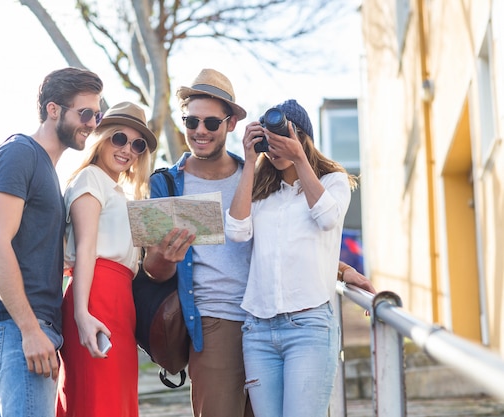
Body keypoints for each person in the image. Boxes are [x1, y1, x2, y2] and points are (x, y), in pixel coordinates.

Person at [142, 69, 374, 417]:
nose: (200, 131)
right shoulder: (169, 183)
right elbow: (154, 271)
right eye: (191, 122)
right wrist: (164, 256)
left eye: (210, 123)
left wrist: (340, 269)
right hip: (216, 321)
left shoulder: (260, 175)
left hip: (274, 318)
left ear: (231, 123)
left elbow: (294, 234)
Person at [0, 67, 104, 417]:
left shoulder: (46, 168)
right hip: (15, 325)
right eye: (85, 112)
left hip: (28, 326)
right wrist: (29, 330)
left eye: (98, 114)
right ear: (54, 109)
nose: (93, 123)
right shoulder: (20, 154)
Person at [226, 98, 355, 417]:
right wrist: (250, 162)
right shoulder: (262, 190)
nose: (277, 145)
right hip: (257, 329)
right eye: (271, 138)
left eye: (286, 136)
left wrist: (299, 159)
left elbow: (327, 219)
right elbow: (237, 232)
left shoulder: (333, 181)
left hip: (309, 326)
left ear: (304, 137)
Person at [55, 102, 158, 417]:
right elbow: (86, 247)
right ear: (101, 138)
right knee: (96, 401)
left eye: (137, 144)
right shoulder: (90, 179)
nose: (128, 149)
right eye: (119, 138)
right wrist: (82, 314)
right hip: (96, 295)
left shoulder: (120, 193)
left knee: (115, 401)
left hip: (120, 302)